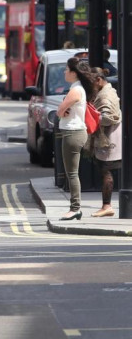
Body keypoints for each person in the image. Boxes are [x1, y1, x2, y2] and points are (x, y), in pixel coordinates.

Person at [56, 58, 98, 221]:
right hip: (73, 132)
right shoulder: (77, 88)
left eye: (67, 69)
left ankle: (75, 208)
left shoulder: (75, 90)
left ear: (74, 73)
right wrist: (64, 110)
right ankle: (75, 207)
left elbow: (60, 111)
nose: (64, 72)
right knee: (71, 173)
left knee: (72, 173)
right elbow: (64, 109)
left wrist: (62, 110)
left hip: (73, 133)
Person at [90, 67, 122, 217]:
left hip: (109, 138)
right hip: (111, 136)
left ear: (99, 80)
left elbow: (109, 117)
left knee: (106, 172)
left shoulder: (105, 96)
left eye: (92, 82)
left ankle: (107, 206)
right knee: (106, 171)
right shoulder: (108, 90)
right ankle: (106, 206)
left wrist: (92, 118)